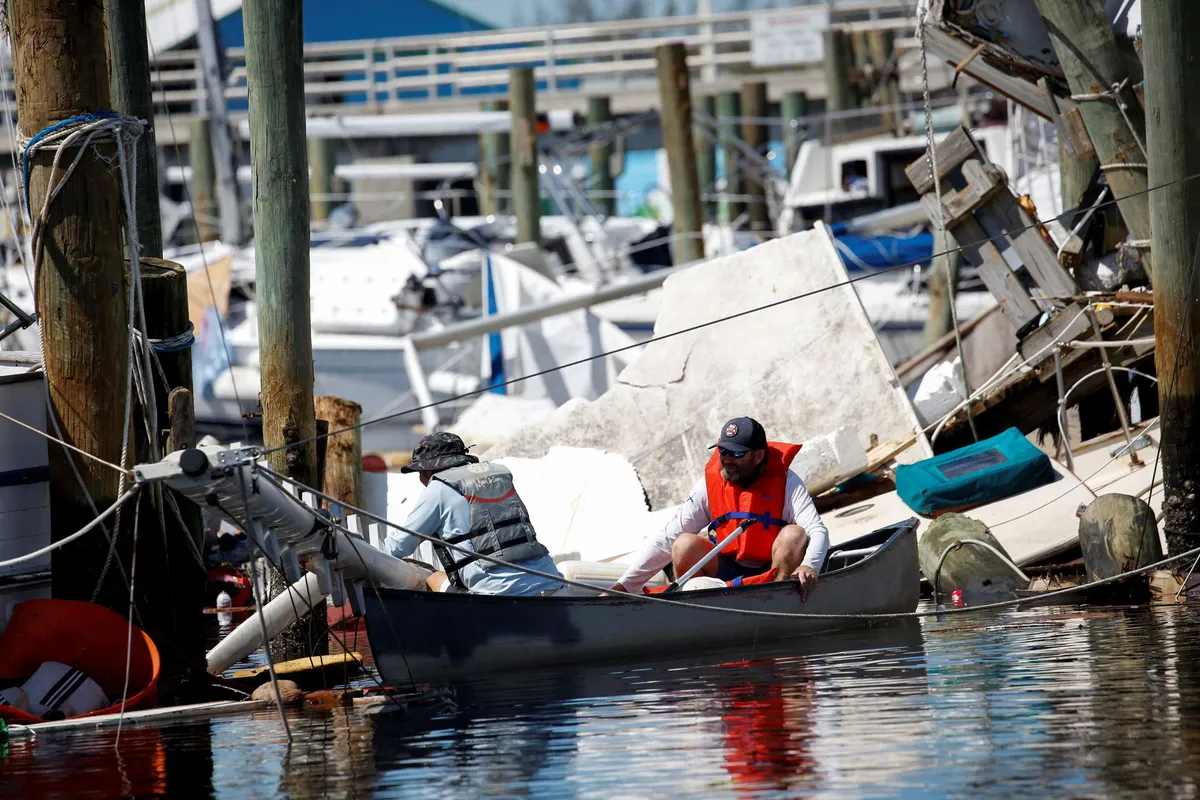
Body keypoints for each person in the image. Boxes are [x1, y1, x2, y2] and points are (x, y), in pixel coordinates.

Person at [609, 417, 829, 598]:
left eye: (737, 453)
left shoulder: (787, 482)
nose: (726, 460)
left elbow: (817, 530)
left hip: (772, 570)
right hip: (726, 569)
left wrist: (810, 565)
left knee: (794, 534)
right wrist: (622, 587)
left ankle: (775, 602)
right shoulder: (708, 486)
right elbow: (665, 539)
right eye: (723, 451)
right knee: (683, 544)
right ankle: (697, 607)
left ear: (759, 456)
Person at [385, 432, 565, 596]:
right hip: (550, 581)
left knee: (431, 579)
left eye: (420, 472)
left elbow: (397, 547)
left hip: (499, 593)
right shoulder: (500, 476)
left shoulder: (438, 489)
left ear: (429, 470)